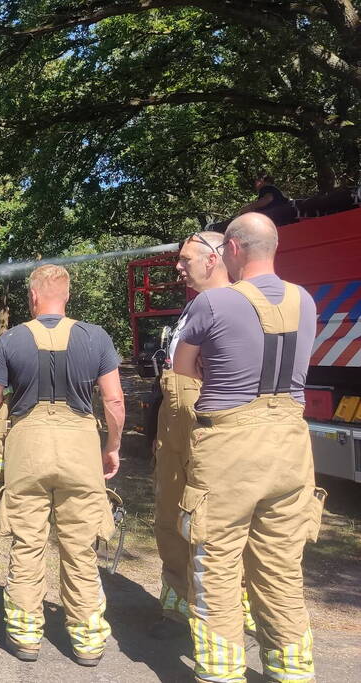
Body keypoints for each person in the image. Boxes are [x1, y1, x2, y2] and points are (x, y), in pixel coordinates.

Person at [173, 213, 321, 683]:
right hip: (292, 449)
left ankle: (220, 673)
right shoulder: (306, 300)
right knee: (281, 567)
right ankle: (292, 673)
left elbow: (183, 369)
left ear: (231, 249)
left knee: (215, 563)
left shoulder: (214, 303)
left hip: (230, 449)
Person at [0, 264, 125, 666]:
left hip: (27, 447)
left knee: (28, 542)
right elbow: (114, 401)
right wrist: (112, 446)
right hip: (79, 447)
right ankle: (87, 640)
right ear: (67, 295)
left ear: (32, 297)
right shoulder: (94, 336)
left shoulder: (11, 339)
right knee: (80, 546)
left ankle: (26, 635)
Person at [147, 231, 243, 639]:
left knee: (213, 515)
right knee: (169, 506)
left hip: (209, 422)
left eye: (186, 259)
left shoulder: (237, 304)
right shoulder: (195, 307)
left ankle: (227, 601)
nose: (178, 267)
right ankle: (177, 593)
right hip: (175, 420)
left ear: (215, 258)